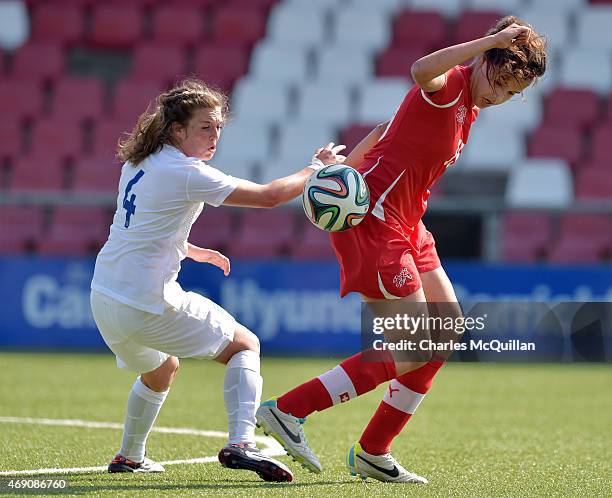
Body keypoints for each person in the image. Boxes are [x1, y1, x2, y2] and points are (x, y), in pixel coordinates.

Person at [256, 16, 547, 483]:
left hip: (409, 225)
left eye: (512, 93)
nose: (501, 97)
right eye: (500, 82)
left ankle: (373, 451)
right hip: (374, 223)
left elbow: (388, 131)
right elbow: (419, 69)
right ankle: (288, 411)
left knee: (445, 333)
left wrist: (343, 165)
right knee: (412, 347)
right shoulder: (449, 85)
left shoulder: (469, 105)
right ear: (485, 61)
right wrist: (490, 41)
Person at [89, 78, 346, 482]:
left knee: (161, 369)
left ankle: (129, 457)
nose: (214, 136)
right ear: (177, 130)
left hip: (103, 298)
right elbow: (269, 197)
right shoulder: (186, 172)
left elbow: (139, 224)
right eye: (205, 127)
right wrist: (317, 168)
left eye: (219, 127)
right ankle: (242, 442)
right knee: (246, 345)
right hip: (144, 302)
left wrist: (188, 248)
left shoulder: (138, 162)